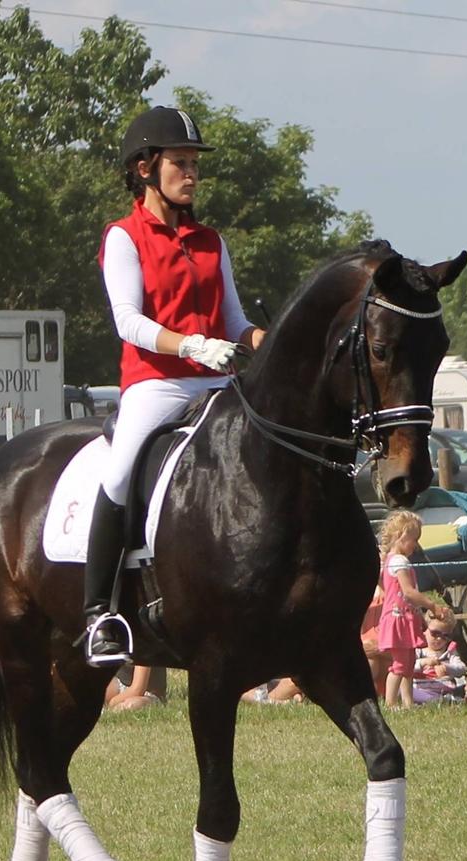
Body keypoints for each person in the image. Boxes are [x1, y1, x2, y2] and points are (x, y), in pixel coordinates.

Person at [83, 105, 266, 665]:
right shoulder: (124, 236)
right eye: (180, 162)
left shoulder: (212, 241)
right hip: (157, 384)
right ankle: (100, 613)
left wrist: (266, 341)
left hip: (218, 384)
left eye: (194, 164)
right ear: (145, 168)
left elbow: (234, 320)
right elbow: (128, 321)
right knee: (119, 473)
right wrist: (189, 344)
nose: (192, 173)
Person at [377, 511, 444, 709]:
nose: (415, 545)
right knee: (399, 664)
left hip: (404, 617)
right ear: (402, 535)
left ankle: (407, 701)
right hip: (398, 618)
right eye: (414, 540)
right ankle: (390, 702)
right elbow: (408, 592)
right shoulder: (399, 561)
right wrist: (432, 605)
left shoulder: (389, 560)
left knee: (408, 663)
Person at [411, 611, 466, 702]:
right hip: (421, 688)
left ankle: (445, 699)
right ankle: (437, 700)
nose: (439, 639)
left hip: (445, 688)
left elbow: (462, 668)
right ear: (424, 631)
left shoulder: (449, 652)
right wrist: (422, 663)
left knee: (464, 686)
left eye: (445, 636)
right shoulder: (419, 650)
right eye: (435, 634)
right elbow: (408, 667)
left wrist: (447, 668)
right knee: (403, 689)